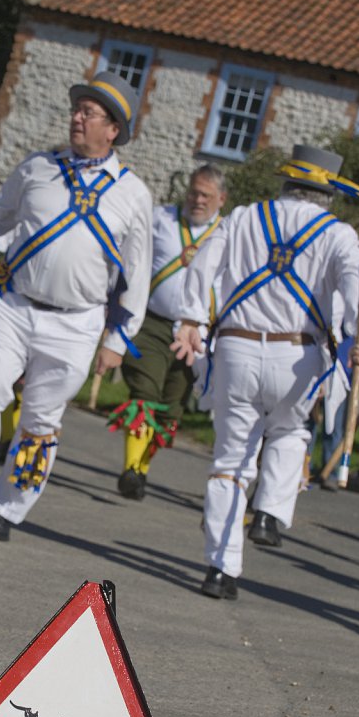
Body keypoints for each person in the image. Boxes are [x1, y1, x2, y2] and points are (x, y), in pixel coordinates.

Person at [0, 71, 153, 540]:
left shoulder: (133, 194)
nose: (77, 117)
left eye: (89, 113)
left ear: (113, 129)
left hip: (77, 324)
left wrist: (117, 339)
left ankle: (6, 513)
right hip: (13, 306)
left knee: (40, 421)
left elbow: (138, 273)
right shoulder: (38, 167)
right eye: (77, 109)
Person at [172, 144, 359, 600]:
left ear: (286, 182)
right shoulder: (337, 234)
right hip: (296, 357)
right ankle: (268, 513)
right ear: (326, 193)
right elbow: (358, 282)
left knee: (229, 463)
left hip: (236, 351)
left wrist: (191, 320)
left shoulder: (243, 217)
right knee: (290, 432)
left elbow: (202, 264)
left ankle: (220, 571)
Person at [109, 164, 226, 500]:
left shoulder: (228, 234)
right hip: (151, 323)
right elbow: (129, 255)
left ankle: (142, 470)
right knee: (144, 393)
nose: (197, 200)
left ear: (221, 198)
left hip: (196, 336)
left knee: (171, 406)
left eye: (205, 195)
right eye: (193, 192)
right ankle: (130, 468)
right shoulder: (161, 219)